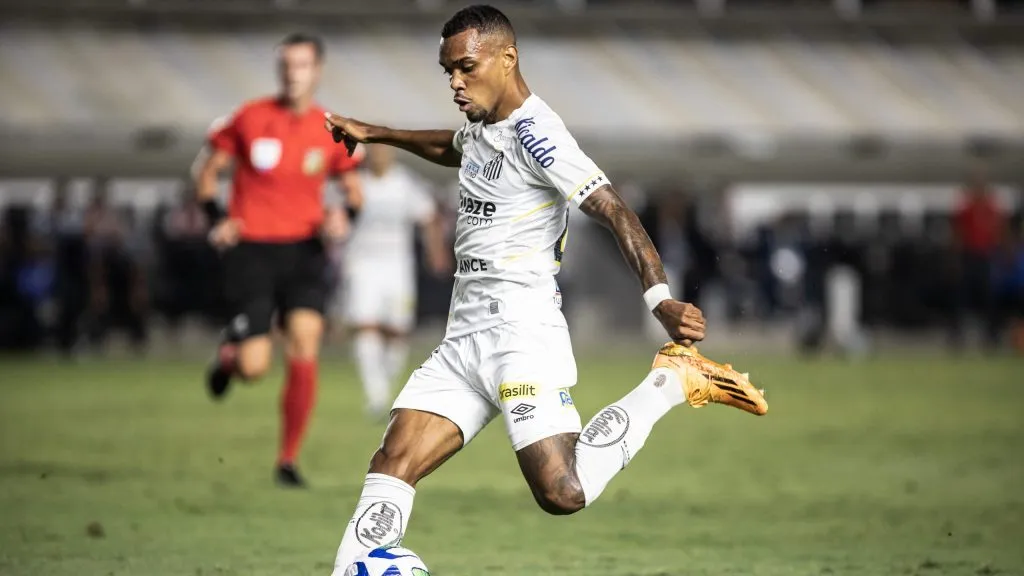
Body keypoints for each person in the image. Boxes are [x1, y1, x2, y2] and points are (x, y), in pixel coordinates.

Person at [323, 6, 766, 572]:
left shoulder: (539, 134)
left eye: (465, 68)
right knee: (393, 460)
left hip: (520, 335)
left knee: (563, 492)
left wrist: (660, 299)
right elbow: (455, 149)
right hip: (463, 337)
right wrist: (377, 131)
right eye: (447, 73)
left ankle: (671, 380)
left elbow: (613, 210)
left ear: (507, 59)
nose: (455, 84)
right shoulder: (486, 126)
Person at [194, 32, 363, 487]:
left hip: (304, 250)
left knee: (305, 341)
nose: (293, 73)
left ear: (317, 70)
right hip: (252, 250)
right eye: (286, 65)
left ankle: (287, 461)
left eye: (302, 65)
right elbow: (207, 173)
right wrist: (216, 217)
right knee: (255, 368)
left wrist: (342, 217)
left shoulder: (329, 127)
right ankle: (231, 358)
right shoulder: (249, 118)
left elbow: (352, 192)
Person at [343, 144, 452, 419]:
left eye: (384, 151)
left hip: (397, 266)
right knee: (366, 325)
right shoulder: (356, 181)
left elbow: (428, 216)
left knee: (397, 330)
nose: (379, 156)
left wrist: (435, 251)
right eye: (375, 151)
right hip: (361, 264)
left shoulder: (404, 183)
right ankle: (376, 395)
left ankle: (386, 384)